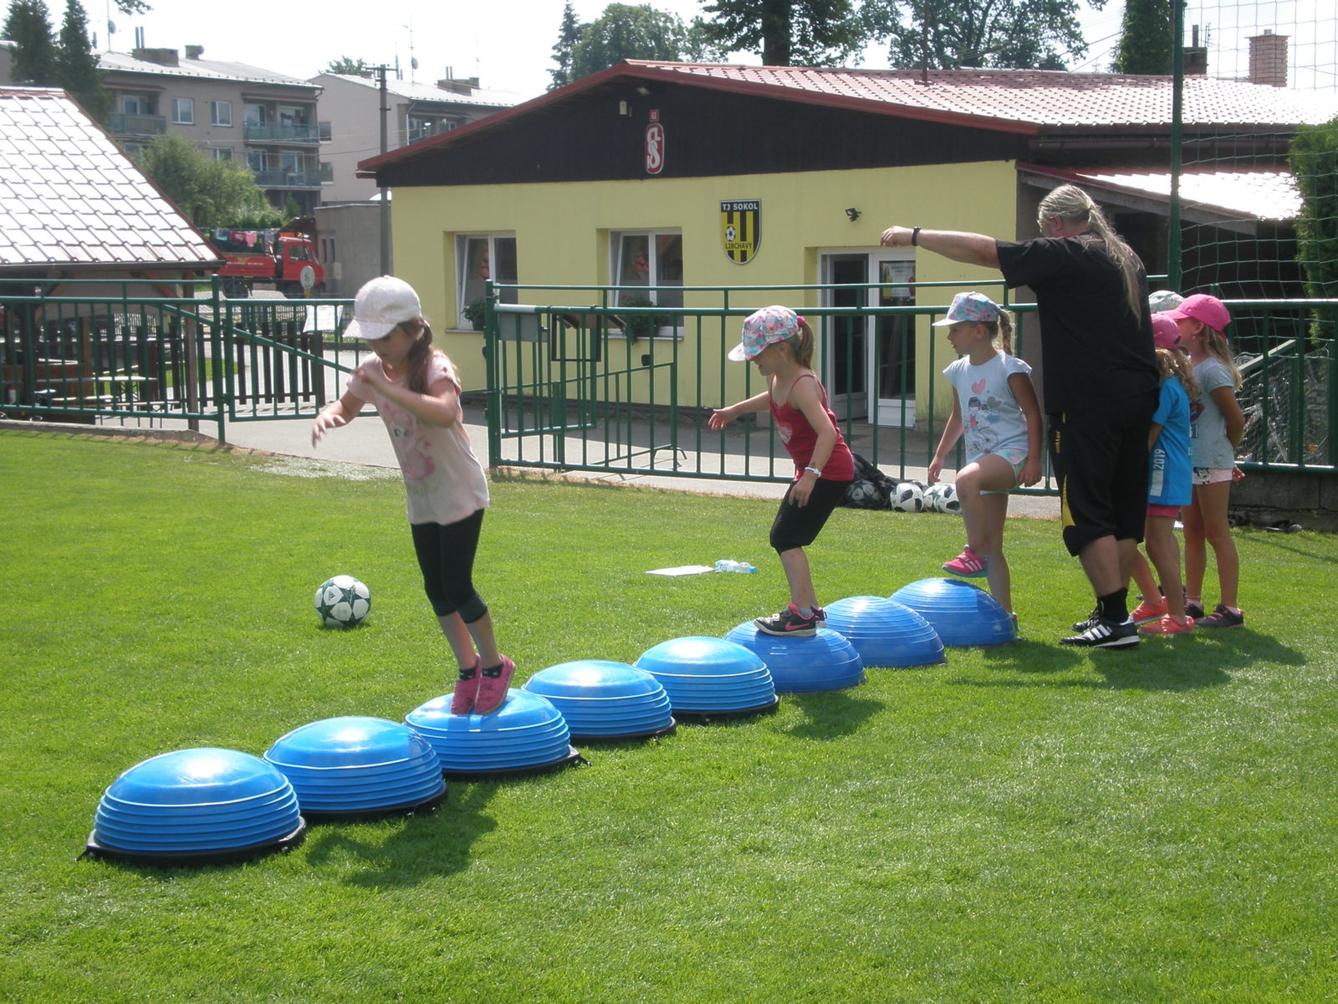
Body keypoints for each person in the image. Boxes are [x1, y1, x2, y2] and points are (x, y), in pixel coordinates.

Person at [880, 184, 1159, 648]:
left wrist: (915, 235)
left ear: (1053, 224)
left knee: (1088, 512)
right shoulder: (1124, 255)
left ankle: (1114, 619)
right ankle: (1113, 611)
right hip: (1138, 395)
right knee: (1123, 511)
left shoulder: (1065, 251)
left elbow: (985, 250)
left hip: (1090, 402)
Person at [311, 276, 515, 714]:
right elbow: (346, 407)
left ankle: (496, 666)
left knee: (459, 586)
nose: (378, 346)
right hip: (422, 495)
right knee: (435, 589)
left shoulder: (433, 367)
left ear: (415, 328)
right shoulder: (372, 371)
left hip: (459, 491)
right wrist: (328, 416)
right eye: (371, 338)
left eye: (385, 336)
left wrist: (387, 388)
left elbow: (444, 414)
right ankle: (468, 668)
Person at [709, 305, 855, 636]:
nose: (751, 360)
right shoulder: (781, 377)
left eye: (757, 353)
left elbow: (828, 433)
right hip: (815, 470)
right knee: (787, 535)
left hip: (827, 471)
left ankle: (802, 614)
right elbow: (772, 399)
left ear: (782, 349)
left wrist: (810, 475)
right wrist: (735, 410)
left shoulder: (803, 384)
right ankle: (810, 609)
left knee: (785, 536)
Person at [927, 292, 1043, 623]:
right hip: (983, 456)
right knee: (996, 546)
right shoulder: (957, 371)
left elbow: (1033, 415)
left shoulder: (1010, 368)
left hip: (1012, 451)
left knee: (966, 479)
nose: (949, 336)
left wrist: (1035, 459)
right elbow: (959, 417)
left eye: (955, 329)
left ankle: (972, 551)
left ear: (979, 330)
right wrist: (939, 455)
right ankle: (1007, 615)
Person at [1170, 294, 1247, 628]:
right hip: (1190, 462)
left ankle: (1230, 608)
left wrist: (1225, 455)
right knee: (1192, 533)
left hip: (1211, 463)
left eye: (1181, 320)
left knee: (1217, 533)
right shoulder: (1190, 366)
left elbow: (1236, 420)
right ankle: (1194, 602)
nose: (1175, 324)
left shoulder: (1213, 370)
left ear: (1198, 328)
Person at [1128, 313, 1198, 635]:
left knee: (1156, 544)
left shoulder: (1166, 388)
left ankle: (1178, 618)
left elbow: (1150, 437)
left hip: (1163, 475)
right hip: (1167, 474)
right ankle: (1160, 605)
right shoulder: (1170, 384)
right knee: (1159, 543)